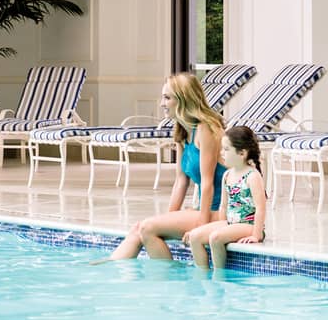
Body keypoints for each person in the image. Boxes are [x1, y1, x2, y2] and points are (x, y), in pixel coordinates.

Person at [105, 73, 226, 261]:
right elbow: (181, 181)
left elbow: (208, 182)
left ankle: (169, 277)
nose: (162, 103)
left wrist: (201, 226)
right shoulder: (183, 131)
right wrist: (166, 220)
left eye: (167, 97)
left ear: (184, 99)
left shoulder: (206, 129)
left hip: (219, 212)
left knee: (147, 228)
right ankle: (109, 267)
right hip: (204, 209)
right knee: (140, 228)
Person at [186, 125, 267, 269]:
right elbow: (223, 205)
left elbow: (261, 209)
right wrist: (222, 226)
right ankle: (203, 275)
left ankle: (219, 276)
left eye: (226, 149)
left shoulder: (253, 176)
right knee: (194, 236)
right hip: (231, 223)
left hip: (248, 225)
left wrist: (256, 234)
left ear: (242, 153)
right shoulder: (227, 175)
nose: (222, 153)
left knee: (215, 238)